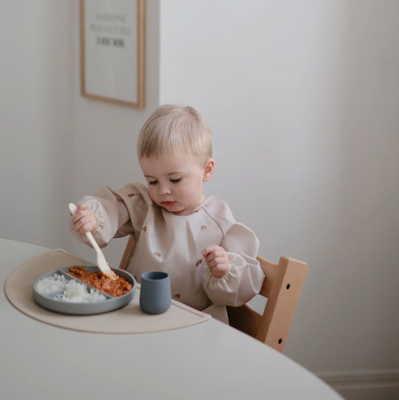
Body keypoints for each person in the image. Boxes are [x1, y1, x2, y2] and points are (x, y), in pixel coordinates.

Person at [70, 104, 265, 319]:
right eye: (152, 181)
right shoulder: (147, 205)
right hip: (136, 313)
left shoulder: (218, 220)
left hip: (192, 324)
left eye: (175, 179)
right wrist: (94, 219)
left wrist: (224, 270)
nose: (162, 190)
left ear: (206, 170)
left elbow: (239, 287)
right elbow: (116, 207)